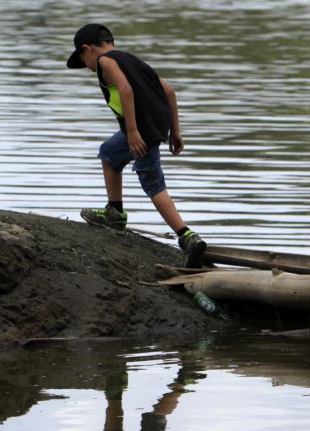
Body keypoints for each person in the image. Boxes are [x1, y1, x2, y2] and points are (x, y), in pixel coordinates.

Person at [67, 23, 206, 268]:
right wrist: (175, 132)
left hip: (140, 130)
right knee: (109, 153)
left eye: (82, 60)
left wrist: (132, 131)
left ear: (86, 49)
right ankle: (115, 212)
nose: (87, 68)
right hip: (156, 124)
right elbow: (170, 92)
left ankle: (187, 237)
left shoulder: (104, 62)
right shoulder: (131, 60)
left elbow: (126, 90)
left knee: (153, 183)